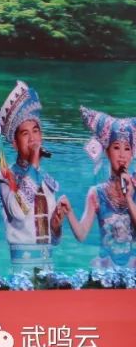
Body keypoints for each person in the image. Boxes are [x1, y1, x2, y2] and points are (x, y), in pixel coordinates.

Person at [0, 81, 71, 272]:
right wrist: (34, 166)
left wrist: (56, 225)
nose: (33, 139)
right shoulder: (6, 177)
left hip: (48, 267)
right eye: (25, 134)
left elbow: (55, 241)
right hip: (22, 269)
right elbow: (18, 212)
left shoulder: (47, 181)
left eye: (36, 131)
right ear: (15, 144)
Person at [66, 107, 136, 268]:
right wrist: (69, 212)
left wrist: (129, 198)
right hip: (105, 268)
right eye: (116, 147)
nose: (122, 155)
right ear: (106, 151)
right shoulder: (97, 193)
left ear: (132, 154)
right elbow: (81, 234)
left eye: (127, 149)